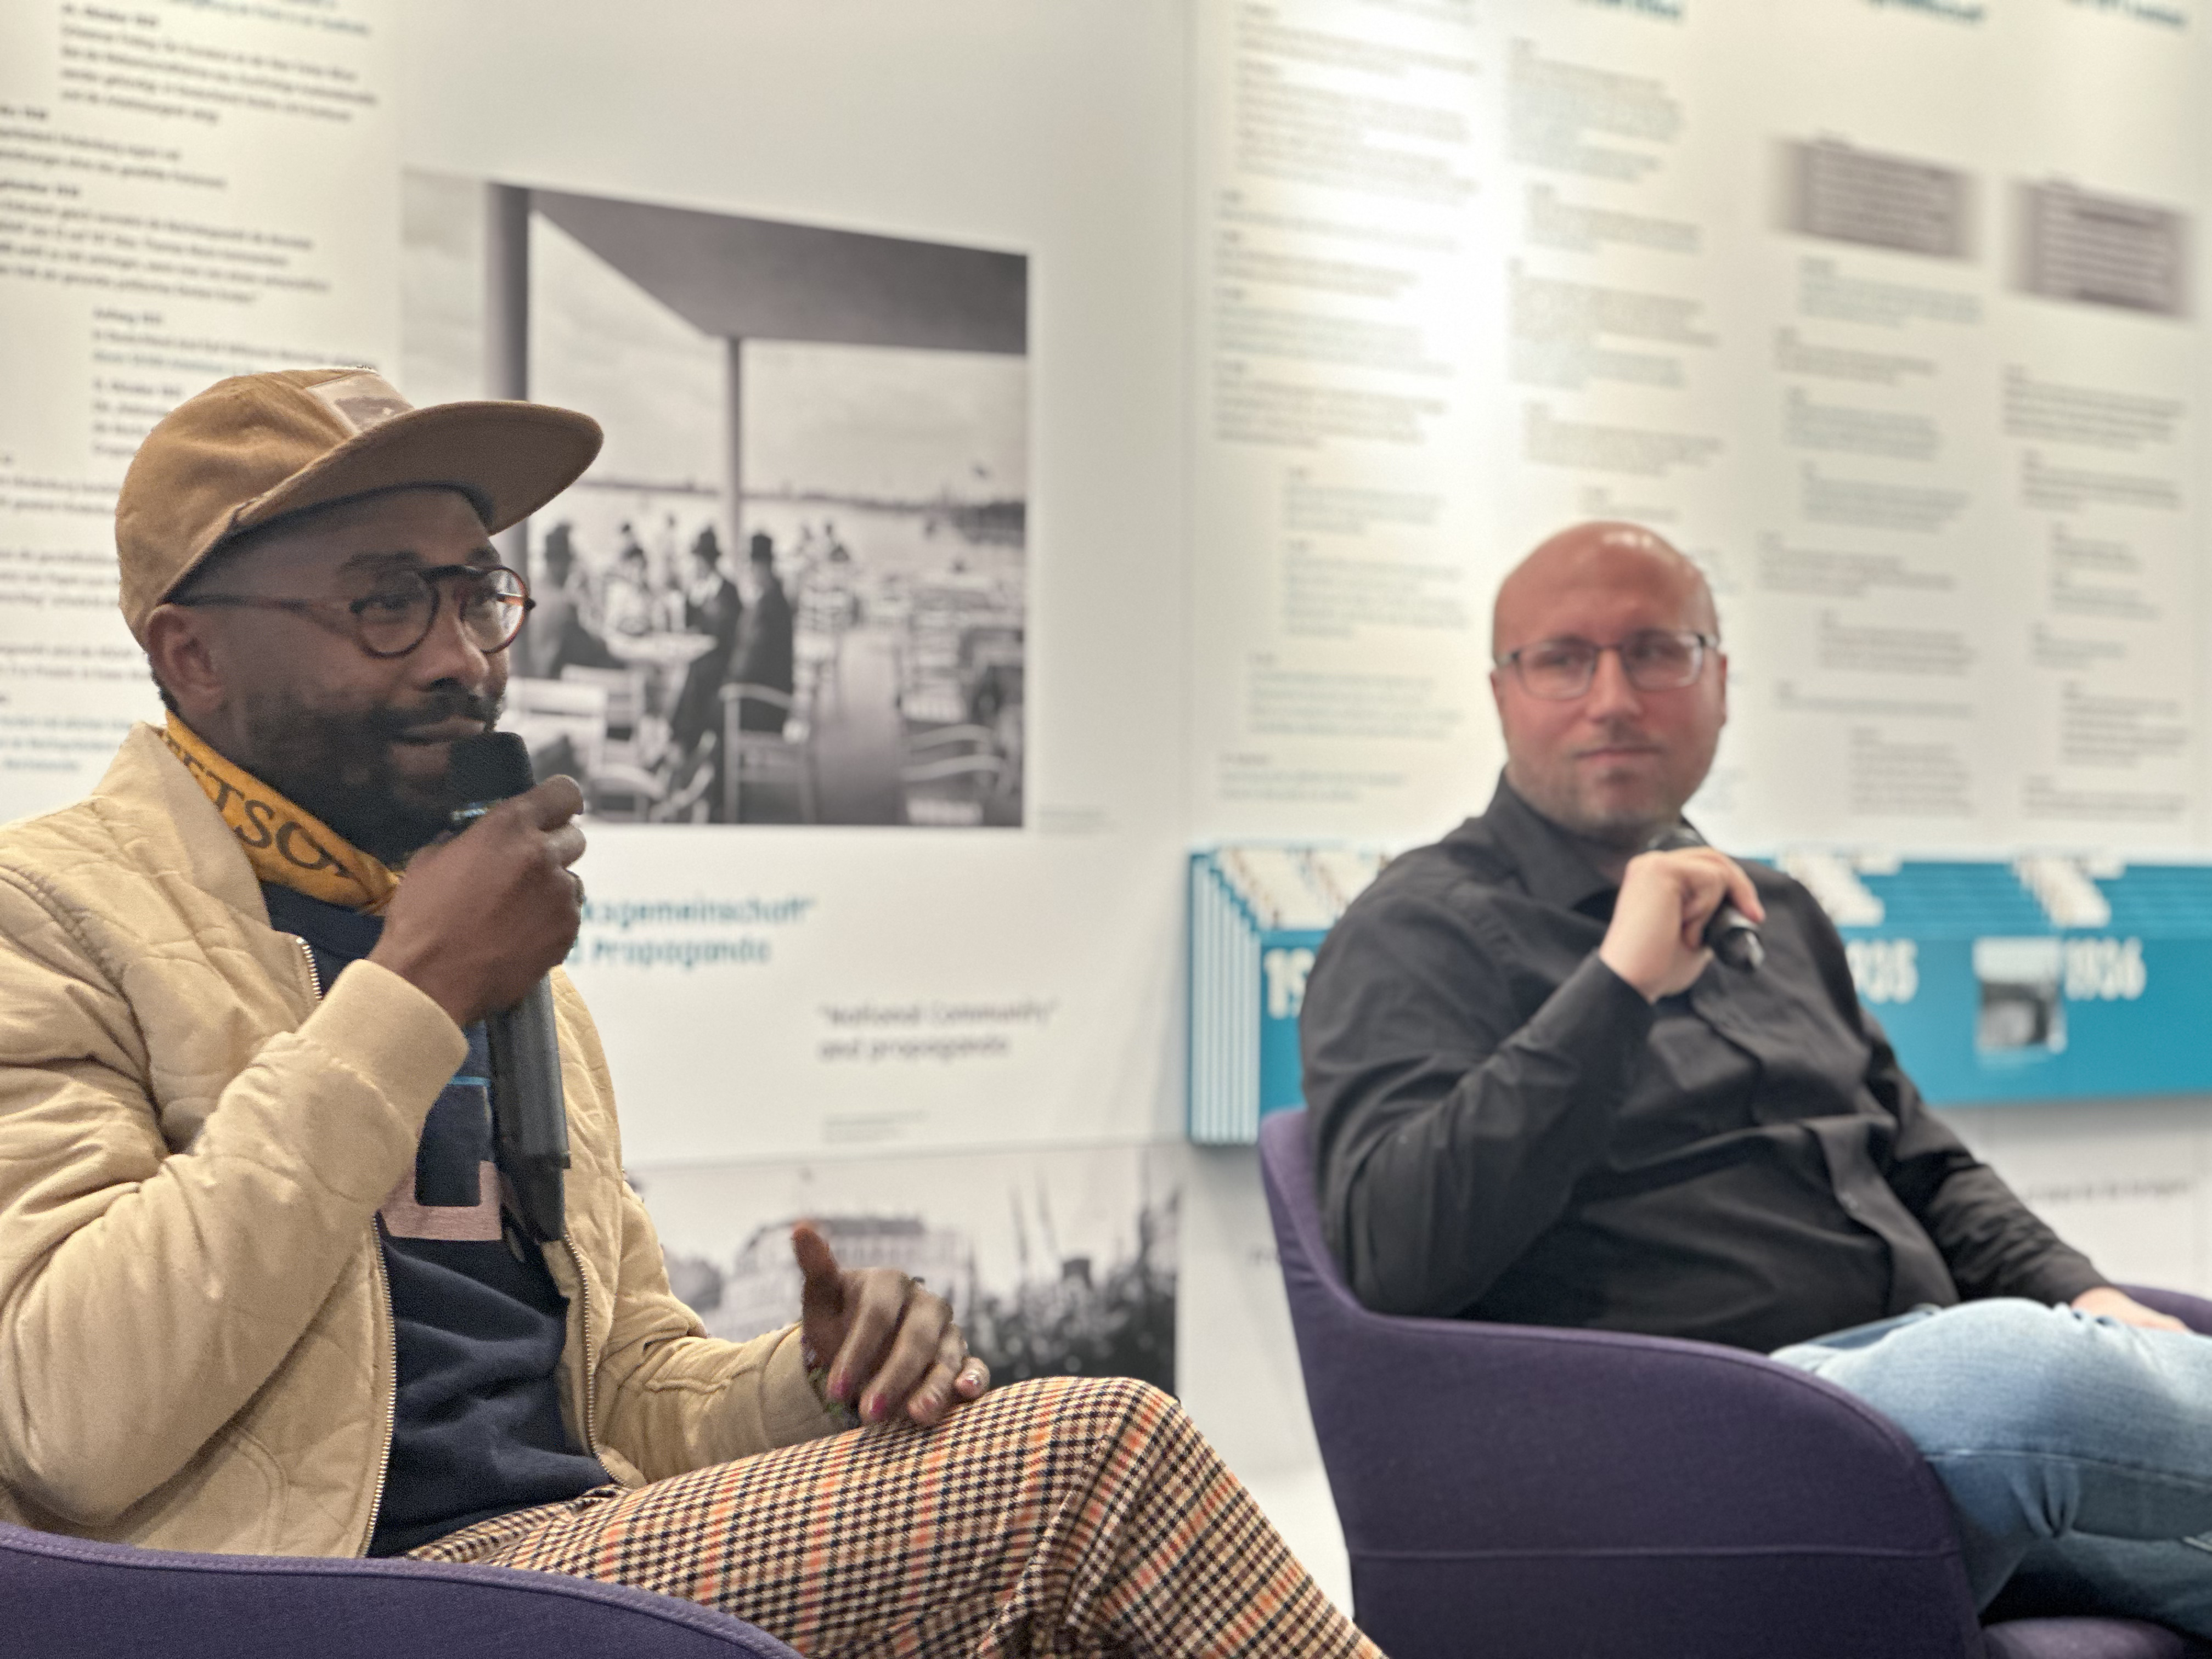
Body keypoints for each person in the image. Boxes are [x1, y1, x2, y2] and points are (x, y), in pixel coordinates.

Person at [0, 367, 1380, 1659]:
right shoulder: (51, 917)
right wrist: (412, 995)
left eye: (476, 596)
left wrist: (810, 1384)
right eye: (385, 604)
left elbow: (623, 1389)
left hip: (567, 1556)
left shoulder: (493, 951)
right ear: (193, 655)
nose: (461, 660)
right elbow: (71, 1418)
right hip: (315, 1599)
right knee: (1094, 1459)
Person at [1300, 519, 2212, 1637]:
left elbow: (1923, 1166)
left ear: (1720, 682)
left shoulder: (1773, 909)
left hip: (1930, 1427)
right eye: (1562, 659)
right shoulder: (1413, 930)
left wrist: (2086, 1293)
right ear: (1502, 693)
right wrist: (1616, 984)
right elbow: (1393, 1250)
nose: (1612, 698)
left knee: (2052, 1378)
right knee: (2022, 1370)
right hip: (1698, 1441)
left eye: (1655, 651)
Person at [729, 530, 795, 735]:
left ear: (762, 567)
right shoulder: (773, 599)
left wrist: (729, 680)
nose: (749, 572)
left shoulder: (770, 607)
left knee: (710, 707)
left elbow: (751, 663)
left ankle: (721, 756)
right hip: (769, 693)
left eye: (751, 566)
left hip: (768, 705)